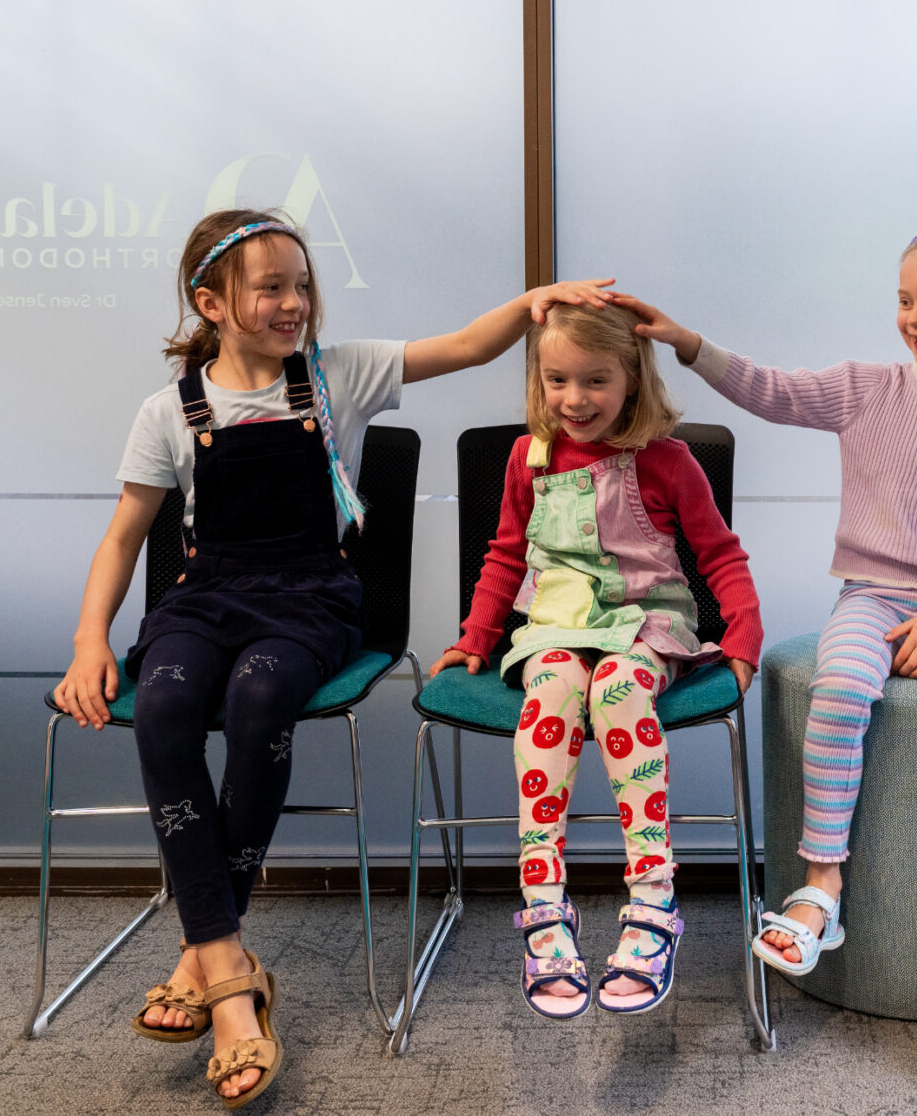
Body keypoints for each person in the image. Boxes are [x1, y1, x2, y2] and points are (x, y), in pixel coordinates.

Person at [54, 208, 612, 1102]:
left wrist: (534, 301)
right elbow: (124, 536)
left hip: (310, 601)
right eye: (270, 287)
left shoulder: (337, 376)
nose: (294, 303)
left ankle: (213, 969)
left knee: (258, 699)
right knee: (160, 708)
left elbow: (466, 347)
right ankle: (228, 953)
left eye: (302, 284)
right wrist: (90, 641)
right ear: (211, 301)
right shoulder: (171, 410)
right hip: (203, 599)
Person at [620, 222, 917, 1024]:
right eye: (905, 300)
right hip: (868, 595)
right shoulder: (869, 388)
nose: (916, 317)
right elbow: (770, 388)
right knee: (837, 690)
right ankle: (820, 887)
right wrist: (690, 343)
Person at [431, 301, 762, 1021]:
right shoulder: (529, 458)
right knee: (549, 700)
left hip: (646, 627)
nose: (574, 399)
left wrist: (742, 638)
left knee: (616, 690)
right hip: (555, 626)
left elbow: (720, 555)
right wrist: (475, 637)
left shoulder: (668, 460)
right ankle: (545, 906)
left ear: (633, 380)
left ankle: (652, 896)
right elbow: (505, 556)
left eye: (594, 381)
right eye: (557, 380)